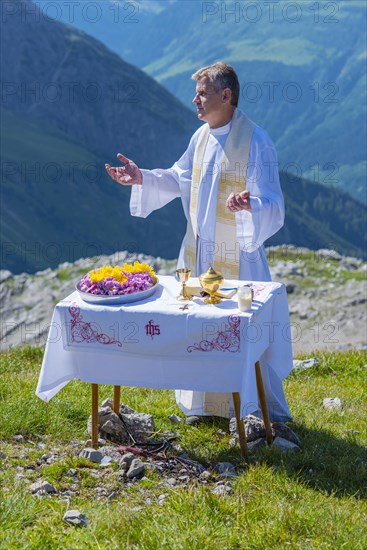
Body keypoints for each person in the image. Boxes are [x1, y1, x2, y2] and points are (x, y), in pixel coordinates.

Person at [105, 62, 292, 423]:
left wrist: (250, 205)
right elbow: (178, 179)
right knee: (201, 329)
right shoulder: (201, 137)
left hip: (238, 256)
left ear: (226, 95)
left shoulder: (256, 141)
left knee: (239, 330)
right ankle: (204, 407)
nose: (195, 100)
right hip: (200, 253)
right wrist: (141, 177)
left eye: (203, 93)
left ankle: (251, 410)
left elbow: (274, 204)